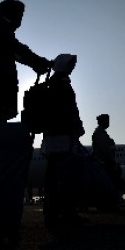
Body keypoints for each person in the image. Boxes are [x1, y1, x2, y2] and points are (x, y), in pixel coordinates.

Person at [40, 54, 86, 229]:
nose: (73, 67)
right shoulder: (63, 85)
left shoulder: (50, 84)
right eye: (71, 64)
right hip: (63, 137)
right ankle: (67, 214)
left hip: (51, 138)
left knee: (53, 178)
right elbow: (70, 110)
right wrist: (77, 127)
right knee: (66, 177)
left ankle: (53, 215)